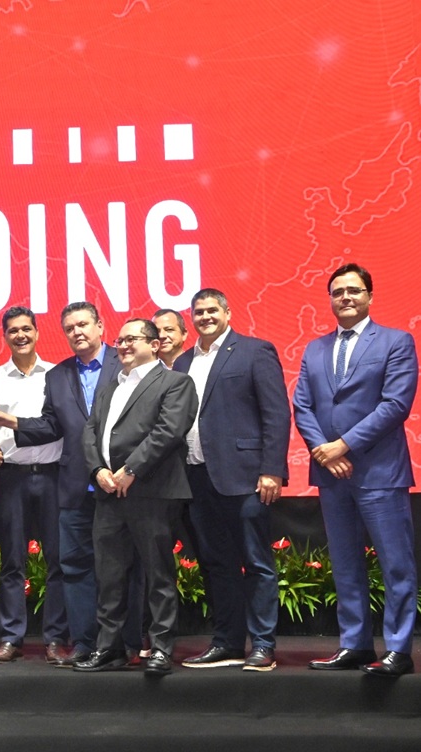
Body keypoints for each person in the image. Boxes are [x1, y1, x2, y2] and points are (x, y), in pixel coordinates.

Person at [0, 302, 142, 665]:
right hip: (72, 485)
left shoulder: (127, 363)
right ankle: (84, 643)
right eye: (70, 328)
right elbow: (52, 426)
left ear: (101, 326)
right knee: (73, 567)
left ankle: (128, 643)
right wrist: (13, 425)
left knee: (125, 566)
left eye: (83, 324)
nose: (77, 332)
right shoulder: (58, 375)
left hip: (122, 482)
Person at [294, 263, 418, 677]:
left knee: (395, 564)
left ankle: (398, 649)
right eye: (337, 292)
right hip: (331, 475)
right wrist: (323, 452)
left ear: (369, 296)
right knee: (345, 564)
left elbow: (395, 404)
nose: (345, 297)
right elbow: (303, 406)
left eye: (354, 290)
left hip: (380, 472)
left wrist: (343, 445)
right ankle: (355, 644)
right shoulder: (314, 349)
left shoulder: (396, 342)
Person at [174, 289, 290, 672]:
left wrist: (272, 469)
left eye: (212, 310)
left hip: (245, 477)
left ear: (227, 312)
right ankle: (227, 642)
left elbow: (276, 413)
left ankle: (263, 645)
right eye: (199, 312)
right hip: (196, 477)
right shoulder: (183, 361)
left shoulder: (255, 351)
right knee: (216, 564)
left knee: (256, 562)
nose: (205, 317)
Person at [76, 319, 196, 675]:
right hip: (108, 493)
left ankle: (161, 648)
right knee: (109, 576)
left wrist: (131, 469)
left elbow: (168, 431)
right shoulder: (111, 386)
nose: (123, 345)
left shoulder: (176, 382)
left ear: (155, 345)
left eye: (132, 339)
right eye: (120, 340)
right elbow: (90, 431)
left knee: (158, 574)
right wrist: (97, 470)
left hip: (152, 492)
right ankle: (110, 648)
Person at [0, 306, 68, 664]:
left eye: (26, 329)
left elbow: (62, 423)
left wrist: (14, 423)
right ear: (5, 336)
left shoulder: (58, 374)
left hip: (53, 476)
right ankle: (11, 638)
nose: (20, 335)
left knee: (58, 560)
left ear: (37, 332)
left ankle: (55, 639)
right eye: (13, 331)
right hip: (12, 477)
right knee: (12, 561)